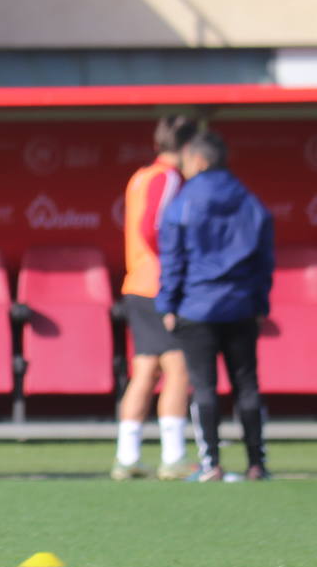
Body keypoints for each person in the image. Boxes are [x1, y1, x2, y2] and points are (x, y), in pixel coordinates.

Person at [157, 129, 274, 482]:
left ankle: (212, 465)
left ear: (199, 160)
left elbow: (173, 259)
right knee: (248, 386)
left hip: (196, 308)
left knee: (203, 387)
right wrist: (260, 302)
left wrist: (168, 304)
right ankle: (257, 464)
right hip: (241, 307)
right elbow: (264, 262)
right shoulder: (250, 201)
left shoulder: (184, 202)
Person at [113, 115, 196, 481]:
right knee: (179, 369)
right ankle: (173, 456)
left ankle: (127, 456)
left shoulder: (141, 176)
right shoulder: (168, 177)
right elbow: (153, 228)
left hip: (137, 283)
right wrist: (175, 271)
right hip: (160, 286)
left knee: (145, 370)